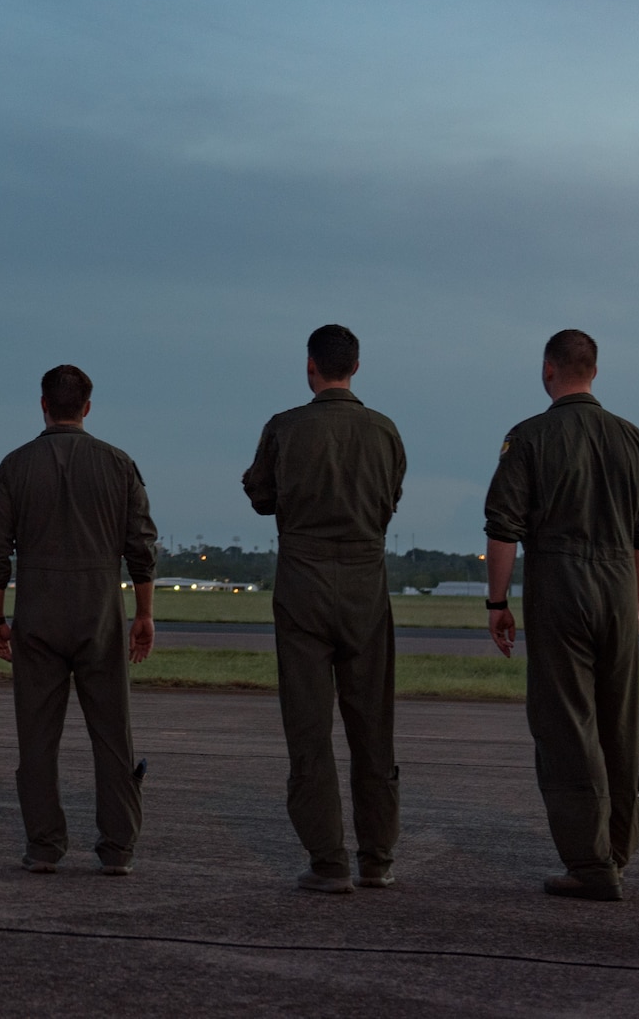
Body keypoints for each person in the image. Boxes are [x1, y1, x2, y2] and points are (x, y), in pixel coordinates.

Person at [483, 330, 639, 901]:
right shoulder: (634, 440)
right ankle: (617, 847)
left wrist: (497, 602)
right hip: (618, 586)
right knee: (618, 722)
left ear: (548, 370)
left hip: (559, 586)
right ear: (594, 370)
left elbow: (503, 527)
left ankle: (589, 863)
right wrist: (633, 604)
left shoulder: (529, 437)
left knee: (566, 725)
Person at [242, 324, 407, 894]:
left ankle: (328, 859)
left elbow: (260, 495)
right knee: (372, 726)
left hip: (303, 587)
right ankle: (377, 857)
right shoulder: (384, 431)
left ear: (310, 366)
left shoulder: (285, 427)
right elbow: (389, 502)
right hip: (365, 586)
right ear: (355, 368)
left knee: (309, 728)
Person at [0, 364, 159, 875]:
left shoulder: (14, 467)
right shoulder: (118, 464)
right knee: (113, 735)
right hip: (100, 612)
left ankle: (43, 845)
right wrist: (143, 613)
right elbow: (141, 548)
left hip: (36, 614)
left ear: (42, 404)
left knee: (37, 739)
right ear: (87, 407)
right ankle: (117, 847)